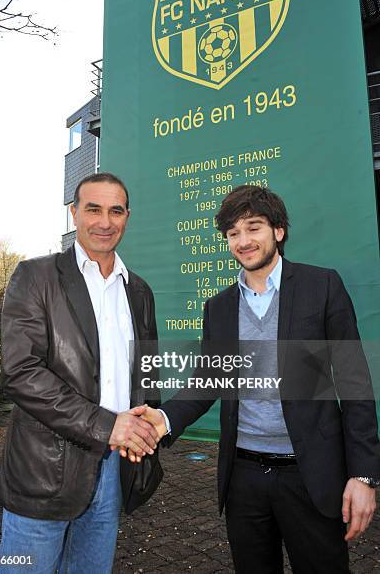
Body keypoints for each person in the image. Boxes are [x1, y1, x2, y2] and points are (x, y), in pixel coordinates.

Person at [139, 185, 380, 573]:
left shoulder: (322, 287)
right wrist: (163, 419)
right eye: (233, 233)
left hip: (311, 473)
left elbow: (355, 382)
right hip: (244, 478)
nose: (243, 241)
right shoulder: (218, 307)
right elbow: (209, 381)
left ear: (278, 231)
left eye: (253, 228)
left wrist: (364, 474)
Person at [0, 172, 160, 573]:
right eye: (93, 209)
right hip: (43, 470)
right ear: (74, 213)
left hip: (113, 470)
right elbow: (20, 371)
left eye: (115, 211)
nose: (105, 222)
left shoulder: (139, 291)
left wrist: (148, 417)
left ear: (127, 217)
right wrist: (108, 425)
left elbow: (146, 371)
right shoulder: (36, 277)